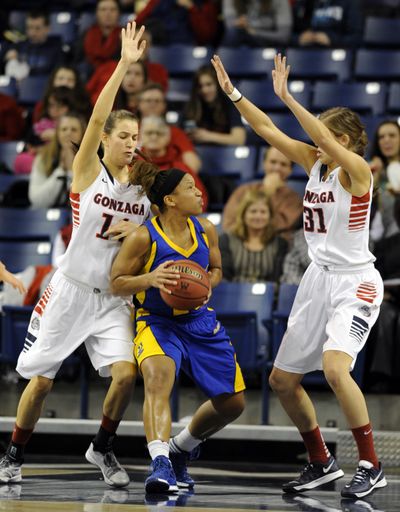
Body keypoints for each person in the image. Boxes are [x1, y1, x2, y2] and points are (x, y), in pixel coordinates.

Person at [211, 53, 387, 498]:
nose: (315, 138)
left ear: (343, 140)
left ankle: (371, 462)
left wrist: (289, 97)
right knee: (282, 381)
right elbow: (266, 130)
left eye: (326, 133)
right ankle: (320, 461)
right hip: (317, 279)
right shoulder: (315, 163)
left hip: (355, 281)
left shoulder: (358, 173)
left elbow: (312, 131)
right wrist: (234, 94)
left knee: (333, 368)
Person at [0, 22, 150, 488]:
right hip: (68, 292)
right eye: (124, 136)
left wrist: (142, 229)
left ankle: (101, 448)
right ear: (105, 140)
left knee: (125, 377)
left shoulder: (145, 189)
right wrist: (124, 64)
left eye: (136, 137)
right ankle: (12, 454)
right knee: (41, 383)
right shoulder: (88, 172)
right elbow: (97, 115)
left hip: (112, 299)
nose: (132, 143)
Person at [110, 164, 245, 494]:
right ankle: (160, 463)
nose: (199, 192)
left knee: (234, 403)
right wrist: (150, 278)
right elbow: (116, 282)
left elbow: (215, 269)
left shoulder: (206, 229)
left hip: (198, 319)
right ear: (170, 199)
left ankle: (180, 448)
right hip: (156, 320)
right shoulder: (144, 236)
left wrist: (206, 283)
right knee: (158, 379)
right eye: (190, 188)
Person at [222, 146, 302, 234]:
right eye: (273, 162)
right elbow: (229, 223)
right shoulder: (243, 190)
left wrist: (269, 192)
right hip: (239, 242)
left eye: (283, 164)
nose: (277, 168)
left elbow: (278, 226)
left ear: (290, 170)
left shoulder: (294, 199)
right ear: (264, 164)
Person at [139, 115, 208, 210]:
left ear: (168, 137)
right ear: (140, 136)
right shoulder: (131, 165)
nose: (154, 137)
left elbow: (200, 199)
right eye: (149, 133)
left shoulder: (181, 168)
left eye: (159, 133)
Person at [219, 190, 287, 282]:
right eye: (253, 211)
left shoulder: (280, 244)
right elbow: (224, 275)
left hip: (268, 294)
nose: (258, 216)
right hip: (232, 293)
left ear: (270, 216)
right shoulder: (226, 240)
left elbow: (277, 279)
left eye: (263, 212)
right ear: (243, 214)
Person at [138, 83, 201, 173]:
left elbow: (193, 165)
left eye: (157, 101)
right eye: (148, 100)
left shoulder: (175, 132)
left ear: (164, 105)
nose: (153, 104)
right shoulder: (131, 130)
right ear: (140, 104)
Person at [28, 113, 86, 208]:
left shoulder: (93, 160)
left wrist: (71, 171)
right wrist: (61, 171)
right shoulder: (43, 157)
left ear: (83, 134)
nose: (68, 133)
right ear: (57, 134)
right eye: (64, 129)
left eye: (74, 130)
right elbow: (36, 200)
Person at [183, 64, 245, 146]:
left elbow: (239, 139)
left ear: (218, 85)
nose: (204, 90)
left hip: (224, 154)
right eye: (200, 86)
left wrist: (207, 136)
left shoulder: (228, 104)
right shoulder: (191, 105)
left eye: (209, 84)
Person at [3, 9, 63, 80]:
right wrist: (7, 58)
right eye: (30, 27)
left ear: (47, 29)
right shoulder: (18, 46)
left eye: (37, 28)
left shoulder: (56, 47)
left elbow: (57, 73)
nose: (33, 33)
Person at [135, 0, 220, 46]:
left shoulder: (205, 5)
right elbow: (139, 20)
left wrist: (191, 8)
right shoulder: (158, 2)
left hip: (186, 46)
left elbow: (206, 36)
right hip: (159, 44)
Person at [369, 120, 400, 240]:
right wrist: (375, 175)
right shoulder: (372, 169)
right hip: (381, 237)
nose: (386, 140)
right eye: (381, 137)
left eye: (392, 135)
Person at [292, 0, 363, 48]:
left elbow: (357, 38)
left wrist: (332, 40)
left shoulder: (350, 3)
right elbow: (288, 34)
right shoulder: (305, 3)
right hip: (307, 51)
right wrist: (299, 39)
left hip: (336, 53)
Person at [222, 0, 293, 47]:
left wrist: (255, 32)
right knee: (233, 32)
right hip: (241, 36)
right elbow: (229, 25)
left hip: (267, 41)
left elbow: (284, 36)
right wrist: (239, 24)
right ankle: (221, 67)